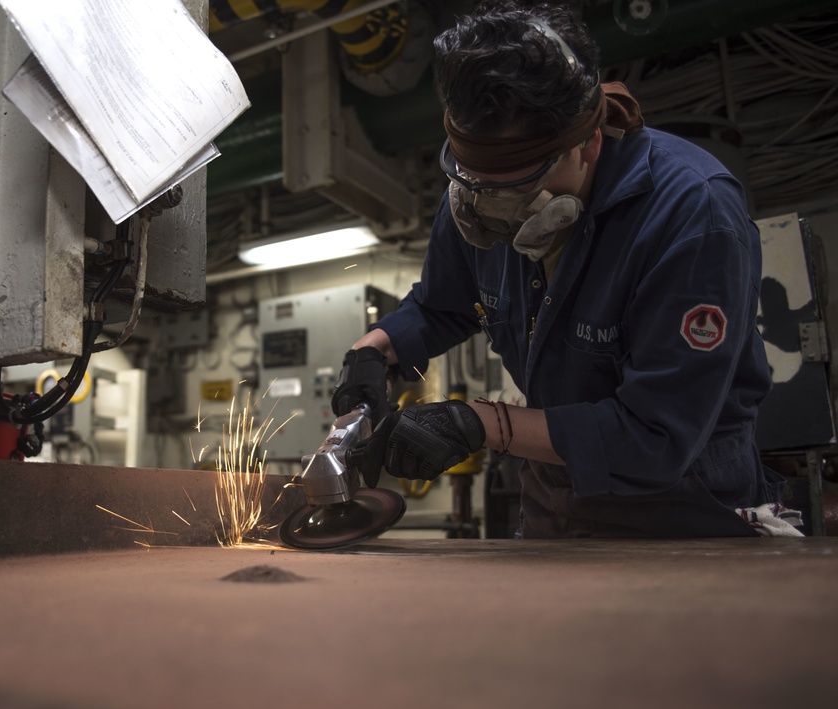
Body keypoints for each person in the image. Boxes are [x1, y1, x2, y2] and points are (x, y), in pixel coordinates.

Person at [331, 1, 797, 538]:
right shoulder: (478, 189)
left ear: (588, 141)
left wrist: (480, 423)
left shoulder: (693, 215)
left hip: (686, 517)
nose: (491, 210)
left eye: (517, 188)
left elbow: (656, 437)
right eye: (473, 181)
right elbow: (441, 304)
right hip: (555, 508)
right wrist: (374, 351)